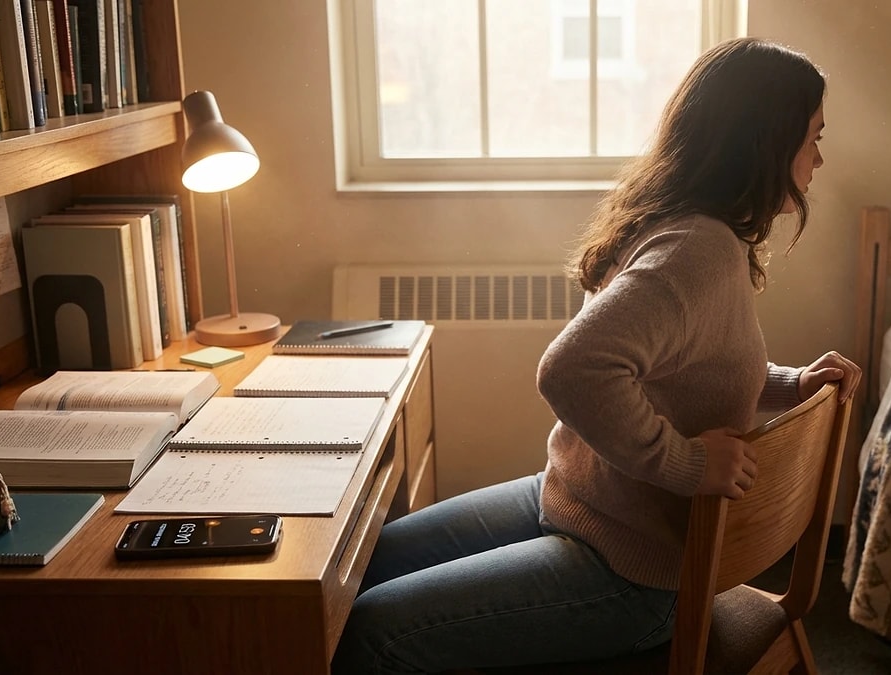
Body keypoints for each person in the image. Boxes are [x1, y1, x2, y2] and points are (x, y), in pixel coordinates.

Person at [331, 37, 861, 674]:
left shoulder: (698, 241)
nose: (819, 160)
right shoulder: (695, 245)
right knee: (354, 574)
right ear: (764, 144)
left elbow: (698, 369)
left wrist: (787, 385)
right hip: (581, 504)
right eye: (813, 139)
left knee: (368, 630)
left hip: (636, 572)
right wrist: (686, 462)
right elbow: (574, 368)